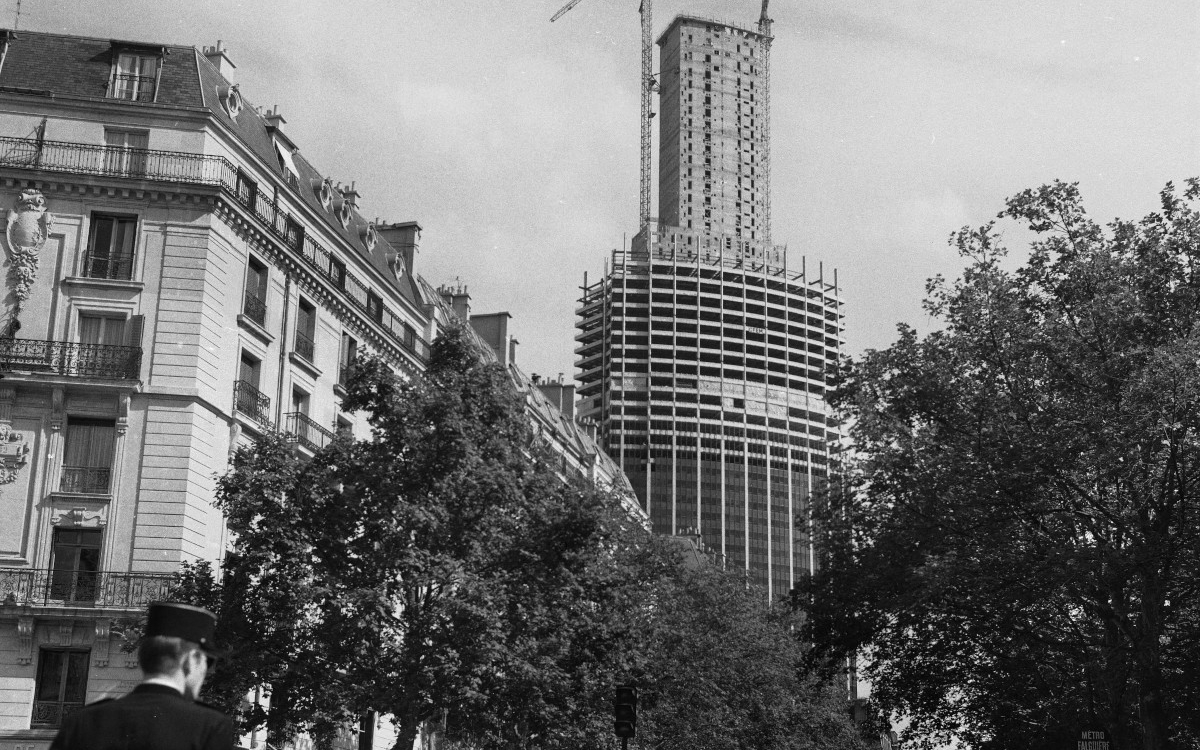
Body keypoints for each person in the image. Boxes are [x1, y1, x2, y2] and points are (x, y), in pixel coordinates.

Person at [49, 601, 236, 750]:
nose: (207, 671)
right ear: (192, 659)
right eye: (207, 661)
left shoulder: (83, 721)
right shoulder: (210, 726)